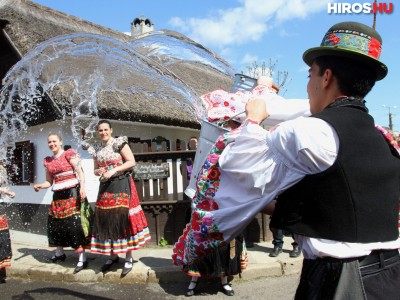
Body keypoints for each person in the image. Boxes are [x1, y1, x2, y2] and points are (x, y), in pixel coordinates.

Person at [175, 21, 400, 299]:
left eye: (310, 76)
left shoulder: (311, 131)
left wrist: (254, 120)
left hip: (342, 279)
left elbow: (241, 167)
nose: (308, 87)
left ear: (326, 77)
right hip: (390, 275)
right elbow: (329, 200)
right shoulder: (383, 138)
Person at [181, 119, 247, 297]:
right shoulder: (208, 154)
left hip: (228, 203)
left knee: (225, 242)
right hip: (205, 202)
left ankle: (224, 281)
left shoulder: (238, 152)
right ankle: (194, 279)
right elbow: (198, 178)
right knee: (200, 238)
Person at [90, 120, 151, 278]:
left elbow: (131, 162)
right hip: (105, 187)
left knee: (123, 220)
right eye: (100, 130)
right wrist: (100, 171)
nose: (103, 132)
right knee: (108, 219)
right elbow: (94, 170)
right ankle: (113, 256)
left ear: (111, 130)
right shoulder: (96, 148)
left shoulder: (119, 143)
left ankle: (128, 258)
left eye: (105, 129)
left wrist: (114, 169)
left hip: (122, 183)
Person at [33, 133, 90, 274]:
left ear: (60, 141)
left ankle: (82, 257)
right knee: (56, 224)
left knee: (74, 225)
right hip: (58, 195)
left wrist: (82, 188)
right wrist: (40, 185)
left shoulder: (69, 154)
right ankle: (60, 253)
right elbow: (49, 182)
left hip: (72, 192)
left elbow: (80, 173)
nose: (52, 144)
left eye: (54, 141)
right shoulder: (48, 161)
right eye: (49, 142)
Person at [0, 160, 15, 283]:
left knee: (2, 237)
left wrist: (7, 192)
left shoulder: (2, 168)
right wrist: (5, 191)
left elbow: (3, 185)